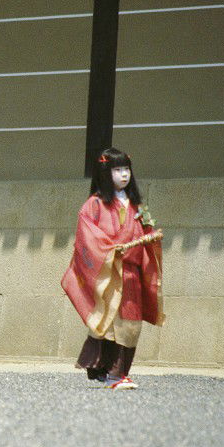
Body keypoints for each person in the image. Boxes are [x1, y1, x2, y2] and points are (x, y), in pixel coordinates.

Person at [62, 148, 164, 390]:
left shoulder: (137, 205)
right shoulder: (94, 205)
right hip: (109, 272)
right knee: (109, 321)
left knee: (130, 322)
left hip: (130, 272)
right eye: (117, 170)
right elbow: (87, 236)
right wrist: (110, 249)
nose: (124, 175)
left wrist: (151, 238)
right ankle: (109, 371)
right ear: (105, 174)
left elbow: (147, 231)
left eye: (126, 169)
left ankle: (119, 371)